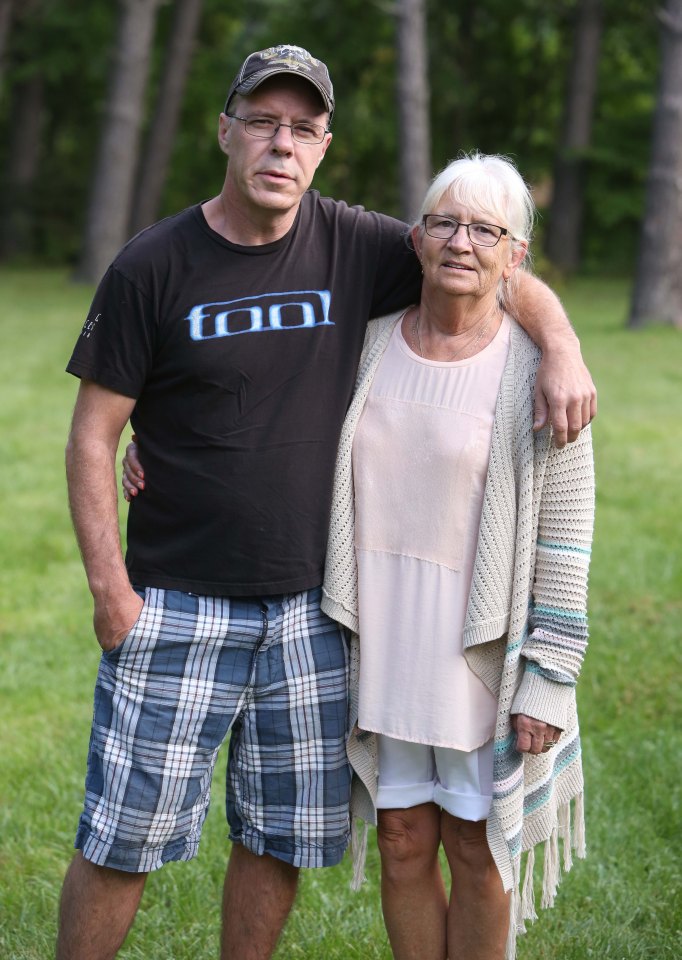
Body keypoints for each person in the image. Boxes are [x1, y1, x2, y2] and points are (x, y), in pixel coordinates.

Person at [62, 42, 595, 960]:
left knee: (276, 842)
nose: (282, 145)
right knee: (124, 839)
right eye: (263, 123)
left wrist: (562, 345)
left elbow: (485, 255)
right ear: (225, 130)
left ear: (324, 147)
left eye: (303, 130)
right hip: (177, 601)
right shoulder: (153, 265)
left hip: (314, 614)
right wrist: (112, 592)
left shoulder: (357, 243)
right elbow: (90, 436)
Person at [320, 153, 595, 960]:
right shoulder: (365, 347)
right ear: (416, 238)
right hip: (384, 635)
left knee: (476, 849)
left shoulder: (541, 374)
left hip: (479, 648)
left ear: (516, 257)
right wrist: (156, 447)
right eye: (445, 222)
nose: (461, 242)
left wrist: (548, 672)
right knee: (402, 840)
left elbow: (565, 538)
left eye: (486, 229)